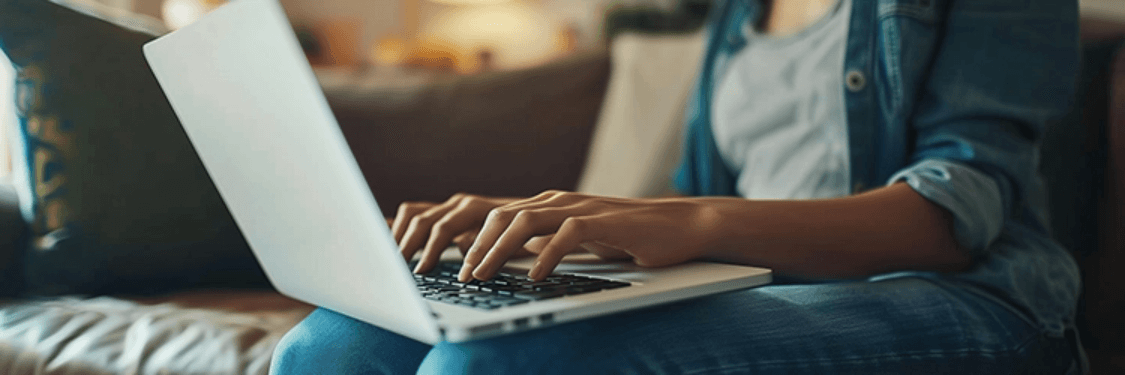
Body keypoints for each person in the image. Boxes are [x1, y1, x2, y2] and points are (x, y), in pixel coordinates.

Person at [270, 0, 1085, 373]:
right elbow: (699, 202)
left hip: (962, 298)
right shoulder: (736, 12)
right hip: (763, 291)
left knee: (496, 367)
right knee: (333, 344)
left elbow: (955, 217)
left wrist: (690, 220)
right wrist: (530, 263)